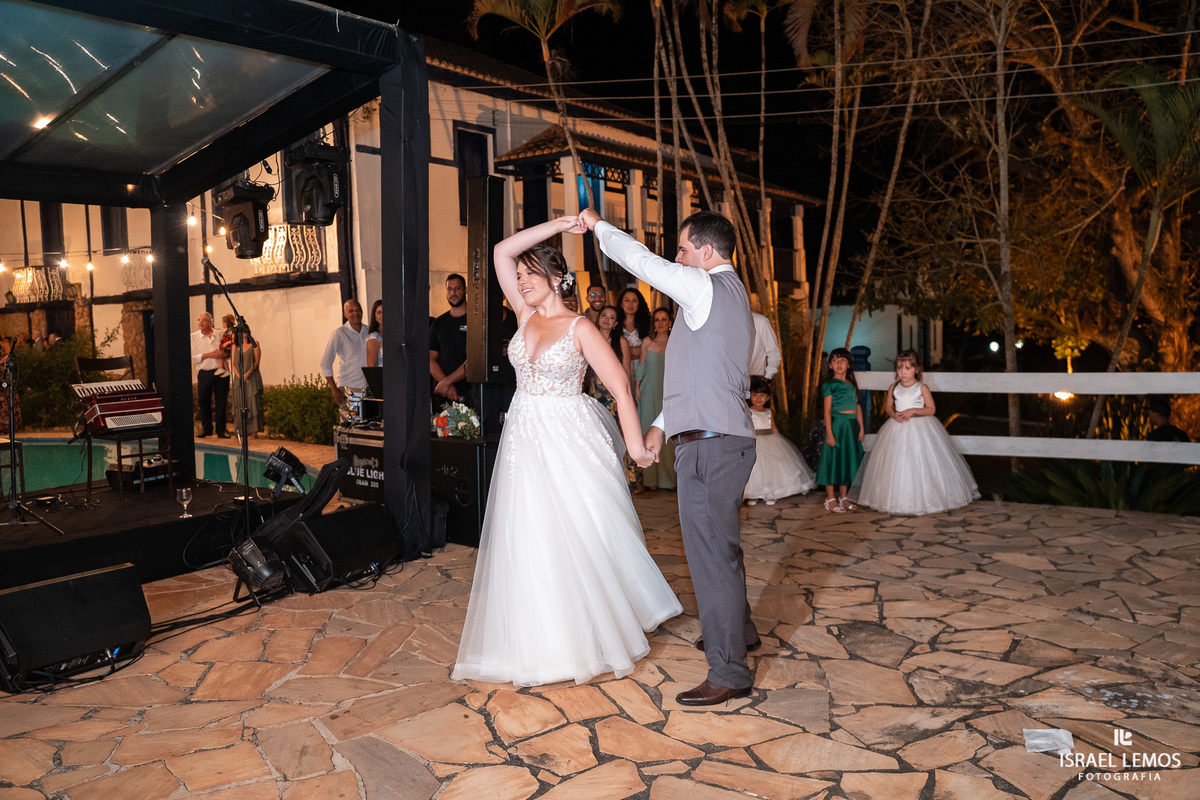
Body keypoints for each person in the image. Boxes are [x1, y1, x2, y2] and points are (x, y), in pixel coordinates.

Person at [452, 216, 681, 687]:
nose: (520, 281)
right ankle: (539, 643)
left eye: (529, 275)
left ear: (556, 278)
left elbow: (620, 387)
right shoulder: (524, 314)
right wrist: (559, 224)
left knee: (579, 530)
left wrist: (635, 446)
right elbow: (500, 250)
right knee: (529, 532)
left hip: (568, 437)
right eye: (519, 277)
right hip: (523, 438)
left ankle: (589, 635)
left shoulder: (581, 328)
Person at [578, 207, 758, 708]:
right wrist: (659, 427)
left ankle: (729, 672)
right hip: (721, 439)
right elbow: (700, 377)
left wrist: (599, 226)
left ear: (707, 251)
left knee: (711, 558)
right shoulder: (731, 296)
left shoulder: (705, 287)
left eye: (682, 249)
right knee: (723, 549)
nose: (676, 259)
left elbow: (640, 260)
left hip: (711, 447)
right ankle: (740, 631)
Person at [854, 350, 978, 514]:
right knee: (897, 463)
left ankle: (926, 501)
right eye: (899, 368)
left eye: (907, 368)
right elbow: (888, 406)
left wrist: (913, 410)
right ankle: (896, 501)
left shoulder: (922, 387)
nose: (903, 372)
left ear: (917, 369)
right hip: (897, 428)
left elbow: (931, 409)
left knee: (920, 462)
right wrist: (893, 415)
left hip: (920, 428)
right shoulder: (894, 387)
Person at [587, 305, 640, 492]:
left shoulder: (621, 341)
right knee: (598, 436)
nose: (606, 320)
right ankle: (602, 480)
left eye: (611, 318)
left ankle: (626, 481)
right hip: (594, 392)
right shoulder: (590, 338)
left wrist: (627, 396)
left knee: (619, 436)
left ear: (616, 323)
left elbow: (626, 371)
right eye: (604, 316)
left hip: (615, 395)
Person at [743, 376, 815, 505]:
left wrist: (781, 443)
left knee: (772, 469)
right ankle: (753, 494)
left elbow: (773, 427)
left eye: (762, 395)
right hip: (756, 441)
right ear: (750, 396)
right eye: (755, 395)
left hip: (770, 441)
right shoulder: (749, 411)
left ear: (768, 398)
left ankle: (772, 493)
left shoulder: (769, 412)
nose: (758, 398)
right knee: (755, 469)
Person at [817, 348, 865, 513]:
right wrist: (830, 433)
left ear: (849, 364)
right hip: (837, 426)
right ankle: (830, 498)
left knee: (845, 460)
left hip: (851, 427)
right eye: (835, 360)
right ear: (830, 365)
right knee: (833, 460)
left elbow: (857, 407)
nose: (839, 363)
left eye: (843, 360)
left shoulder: (852, 384)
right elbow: (827, 411)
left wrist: (861, 428)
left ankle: (844, 497)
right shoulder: (829, 385)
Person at [636, 307, 676, 490]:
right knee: (648, 429)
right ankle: (650, 480)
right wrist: (637, 388)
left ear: (670, 322)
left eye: (664, 319)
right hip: (648, 390)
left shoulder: (676, 341)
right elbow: (641, 366)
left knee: (666, 434)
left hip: (668, 390)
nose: (660, 323)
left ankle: (669, 479)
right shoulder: (647, 341)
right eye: (657, 320)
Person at [319, 299, 368, 419]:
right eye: (351, 311)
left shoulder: (369, 331)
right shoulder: (339, 334)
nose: (355, 313)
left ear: (362, 312)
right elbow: (325, 363)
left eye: (358, 310)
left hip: (369, 389)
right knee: (351, 424)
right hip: (350, 389)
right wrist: (334, 389)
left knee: (367, 425)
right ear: (345, 314)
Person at [429, 273, 470, 404]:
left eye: (457, 288)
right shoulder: (438, 323)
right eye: (450, 289)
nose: (453, 293)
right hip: (444, 393)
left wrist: (447, 382)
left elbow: (474, 361)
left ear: (466, 290)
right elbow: (430, 359)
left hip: (469, 391)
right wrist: (446, 385)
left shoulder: (475, 321)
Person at [191, 311, 230, 439]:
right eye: (199, 320)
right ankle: (207, 429)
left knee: (221, 401)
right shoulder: (193, 337)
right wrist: (208, 355)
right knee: (203, 401)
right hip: (205, 373)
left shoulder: (219, 334)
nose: (200, 322)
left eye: (203, 320)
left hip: (221, 372)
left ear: (211, 322)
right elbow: (191, 357)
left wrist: (224, 355)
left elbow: (228, 349)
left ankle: (221, 430)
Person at [230, 333, 264, 442]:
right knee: (240, 402)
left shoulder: (255, 344)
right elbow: (233, 364)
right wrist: (239, 375)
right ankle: (241, 431)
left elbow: (256, 362)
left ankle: (254, 431)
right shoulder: (235, 346)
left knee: (252, 402)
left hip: (252, 377)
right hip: (238, 378)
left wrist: (247, 374)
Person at [749, 312, 782, 380]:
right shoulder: (727, 322)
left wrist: (767, 377)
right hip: (729, 381)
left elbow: (773, 352)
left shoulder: (759, 321)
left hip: (754, 380)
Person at [366, 300, 383, 367]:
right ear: (375, 317)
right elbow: (371, 368)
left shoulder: (396, 335)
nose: (382, 315)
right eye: (379, 312)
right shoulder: (374, 338)